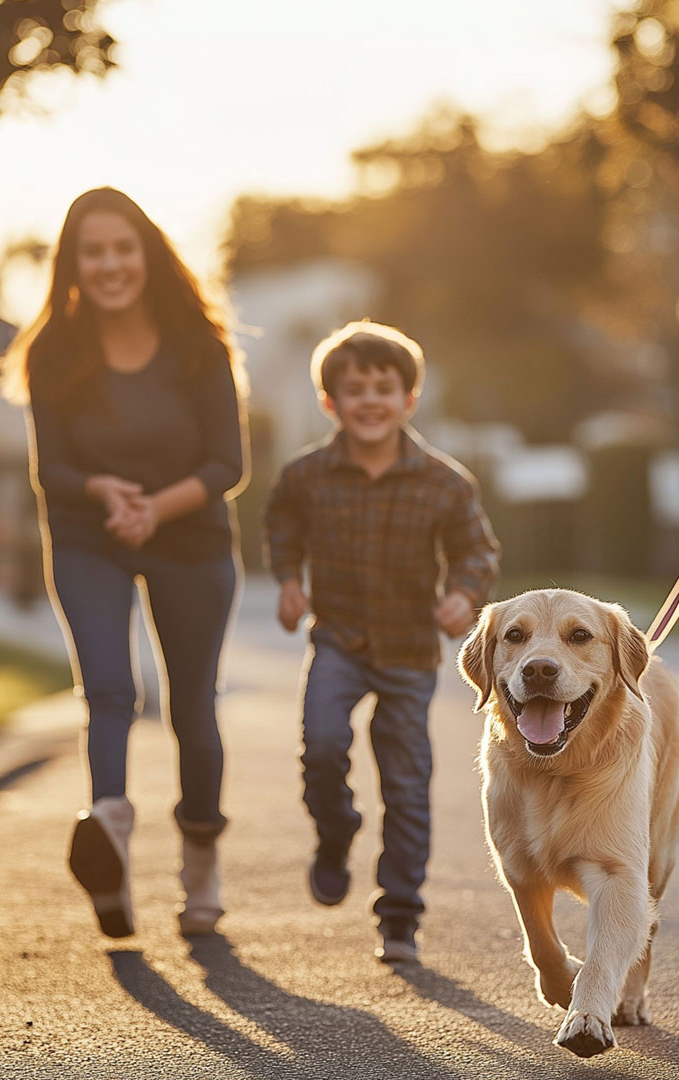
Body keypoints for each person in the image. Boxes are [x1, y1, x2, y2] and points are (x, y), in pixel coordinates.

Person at [0, 187, 250, 939]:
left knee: (191, 706)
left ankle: (200, 861)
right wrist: (106, 492)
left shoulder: (198, 345)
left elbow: (228, 463)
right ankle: (108, 826)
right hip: (89, 536)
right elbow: (52, 470)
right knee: (109, 690)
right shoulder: (54, 350)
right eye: (93, 252)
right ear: (74, 265)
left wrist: (155, 508)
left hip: (190, 537)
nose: (109, 265)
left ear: (147, 255)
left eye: (122, 248)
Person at [263, 320, 499, 965]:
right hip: (338, 640)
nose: (370, 400)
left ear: (408, 398)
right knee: (322, 746)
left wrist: (463, 595)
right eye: (355, 389)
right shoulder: (306, 476)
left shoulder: (444, 481)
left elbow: (476, 550)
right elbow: (281, 525)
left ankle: (399, 913)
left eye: (384, 388)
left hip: (408, 649)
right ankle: (336, 829)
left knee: (406, 781)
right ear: (330, 401)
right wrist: (289, 580)